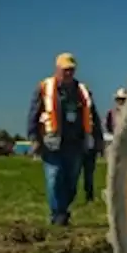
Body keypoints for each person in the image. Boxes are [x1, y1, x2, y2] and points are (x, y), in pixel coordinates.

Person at [27, 52, 97, 226]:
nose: (68, 73)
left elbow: (93, 115)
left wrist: (97, 138)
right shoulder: (44, 87)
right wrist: (34, 138)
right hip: (52, 142)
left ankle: (63, 210)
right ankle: (57, 214)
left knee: (71, 180)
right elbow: (33, 114)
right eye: (65, 70)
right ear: (57, 69)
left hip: (75, 143)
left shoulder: (82, 90)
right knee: (54, 176)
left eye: (71, 70)